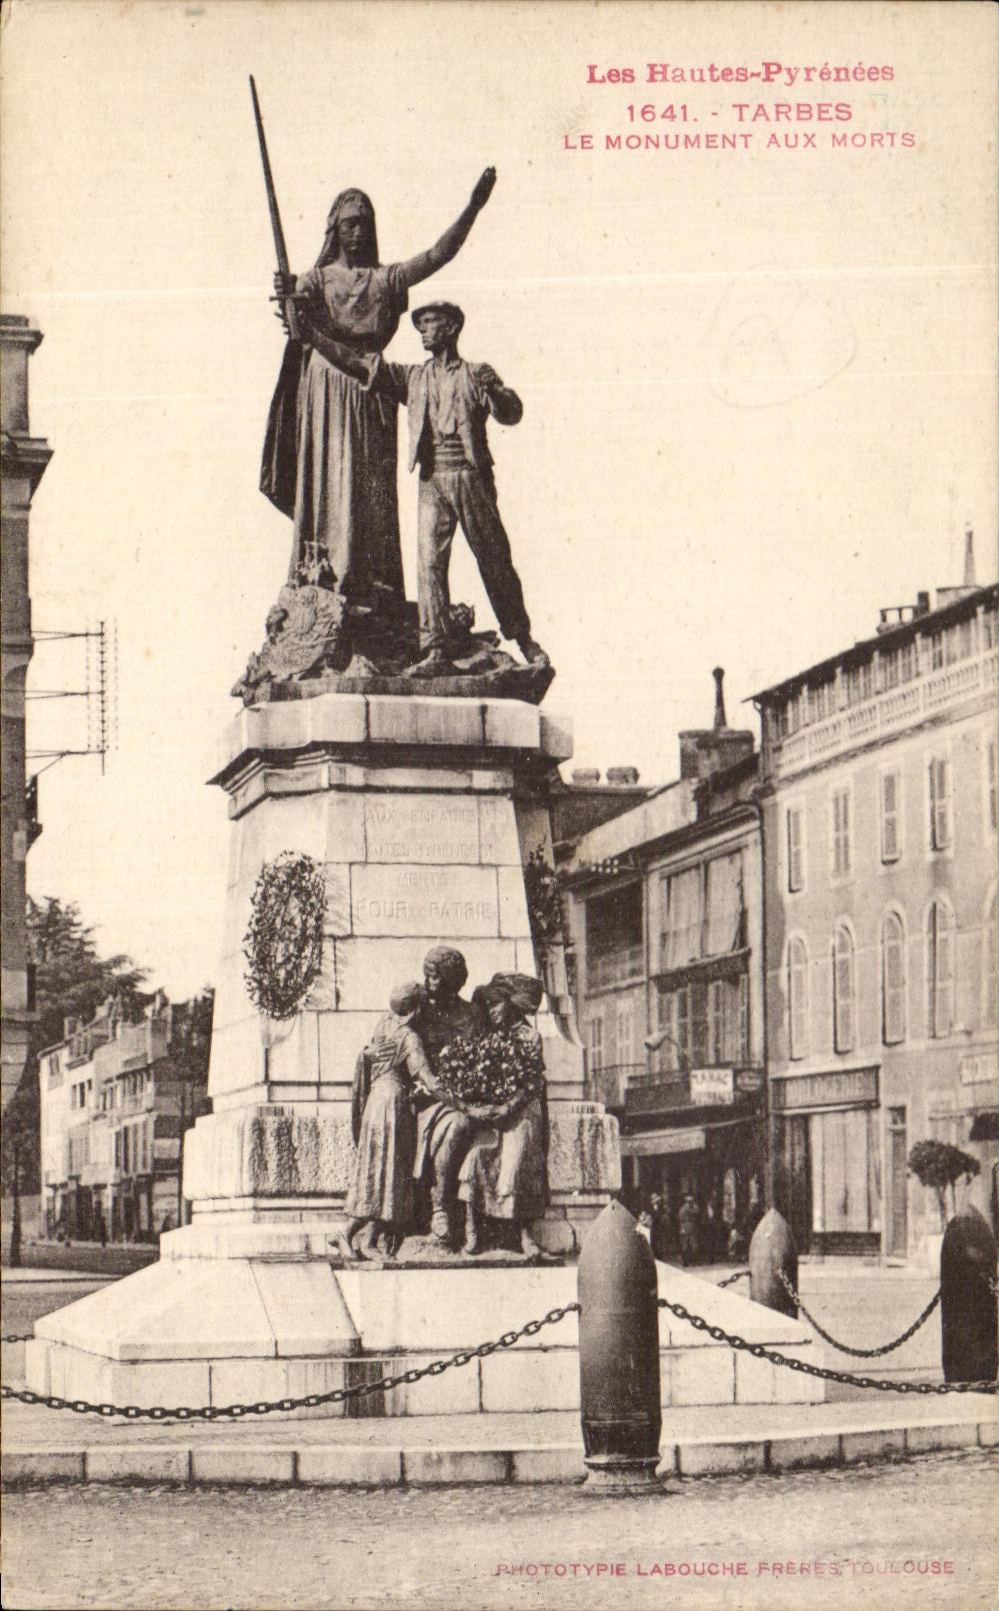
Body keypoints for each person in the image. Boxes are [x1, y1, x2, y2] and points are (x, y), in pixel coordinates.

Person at [263, 172, 497, 604]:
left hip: (373, 384)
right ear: (336, 228)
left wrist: (473, 208)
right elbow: (294, 302)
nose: (359, 230)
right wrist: (288, 291)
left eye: (365, 222)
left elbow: (437, 255)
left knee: (371, 484)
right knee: (332, 477)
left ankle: (374, 584)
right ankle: (326, 579)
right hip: (327, 385)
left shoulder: (385, 279)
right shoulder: (318, 280)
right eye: (350, 222)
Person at [290, 299, 549, 675]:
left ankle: (524, 639)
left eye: (431, 324)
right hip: (432, 480)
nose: (423, 331)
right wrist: (314, 338)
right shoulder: (414, 377)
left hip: (469, 476)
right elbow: (362, 365)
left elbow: (512, 414)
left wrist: (496, 393)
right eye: (421, 324)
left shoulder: (476, 373)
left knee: (493, 558)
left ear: (452, 328)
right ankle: (435, 648)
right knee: (429, 566)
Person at [338, 981, 431, 1262]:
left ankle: (370, 1240)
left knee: (383, 1171)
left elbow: (378, 1059)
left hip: (376, 1104)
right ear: (414, 1010)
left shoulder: (383, 1025)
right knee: (384, 1171)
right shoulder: (409, 1037)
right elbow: (425, 1074)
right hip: (392, 1106)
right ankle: (347, 1233)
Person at [458, 974, 548, 1258]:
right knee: (474, 1161)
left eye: (496, 1005)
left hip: (521, 1112)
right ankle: (472, 1232)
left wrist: (508, 1106)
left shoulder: (530, 1037)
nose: (492, 1011)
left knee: (516, 1161)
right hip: (492, 1118)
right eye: (488, 1006)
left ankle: (525, 1234)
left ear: (511, 1004)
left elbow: (533, 1082)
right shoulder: (487, 1037)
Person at [411, 947, 484, 1248]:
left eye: (437, 977)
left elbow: (482, 1059)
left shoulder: (472, 1015)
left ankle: (449, 1207)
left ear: (454, 981)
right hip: (427, 1101)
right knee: (456, 1123)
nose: (430, 983)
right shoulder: (418, 1013)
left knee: (460, 1123)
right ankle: (438, 1206)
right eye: (427, 975)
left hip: (462, 1098)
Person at [678, 1192, 701, 1267]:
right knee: (692, 1244)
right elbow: (697, 1212)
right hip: (690, 1227)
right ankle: (691, 1260)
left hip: (683, 1227)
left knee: (684, 1244)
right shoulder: (691, 1208)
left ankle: (685, 1261)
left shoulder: (681, 1208)